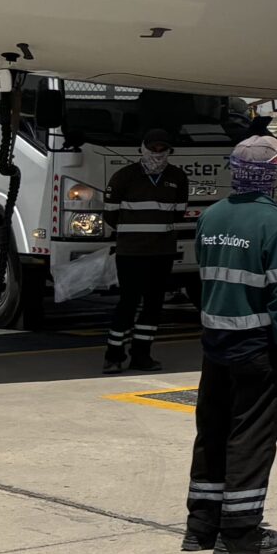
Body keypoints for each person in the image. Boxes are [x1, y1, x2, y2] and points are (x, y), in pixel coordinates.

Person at [186, 135, 277, 554]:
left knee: (213, 431)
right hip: (258, 347)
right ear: (269, 174)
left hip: (215, 343)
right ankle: (240, 534)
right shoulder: (276, 222)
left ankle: (200, 526)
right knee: (251, 437)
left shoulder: (212, 216)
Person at [102, 127, 188, 374]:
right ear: (143, 148)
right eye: (153, 149)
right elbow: (110, 214)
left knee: (154, 304)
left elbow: (179, 211)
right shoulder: (124, 176)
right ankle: (114, 355)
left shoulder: (177, 177)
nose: (158, 154)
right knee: (127, 303)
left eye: (163, 149)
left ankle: (142, 355)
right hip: (131, 252)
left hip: (162, 252)